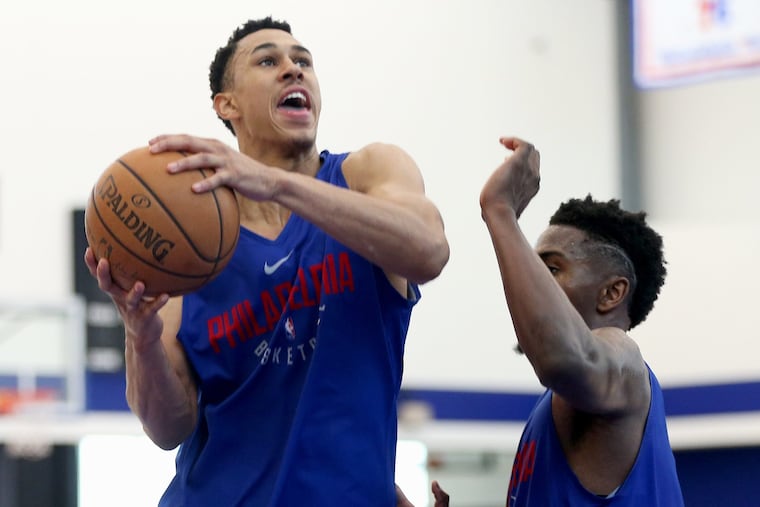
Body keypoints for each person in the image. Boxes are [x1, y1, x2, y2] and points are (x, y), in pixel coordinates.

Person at [85, 16, 449, 506]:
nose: (292, 70)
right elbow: (168, 427)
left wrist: (276, 182)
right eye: (268, 61)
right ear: (226, 105)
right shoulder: (192, 238)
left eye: (303, 62)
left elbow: (428, 250)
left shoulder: (369, 172)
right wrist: (141, 338)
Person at [478, 137, 684, 505]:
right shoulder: (553, 404)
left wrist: (500, 210)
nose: (531, 281)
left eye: (552, 268)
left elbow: (563, 358)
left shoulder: (623, 359)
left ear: (611, 293)